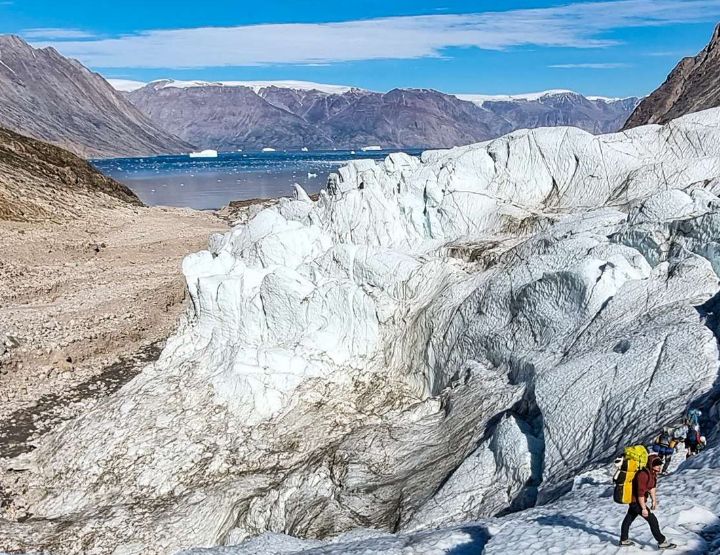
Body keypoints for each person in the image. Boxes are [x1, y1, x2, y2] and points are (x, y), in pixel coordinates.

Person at [619, 454, 676, 549]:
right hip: (636, 501)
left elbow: (652, 487)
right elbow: (640, 493)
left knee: (629, 519)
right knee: (652, 520)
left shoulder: (652, 474)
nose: (659, 466)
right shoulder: (642, 475)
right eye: (656, 464)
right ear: (651, 465)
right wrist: (643, 508)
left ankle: (623, 540)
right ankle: (662, 542)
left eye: (659, 464)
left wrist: (654, 500)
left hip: (638, 501)